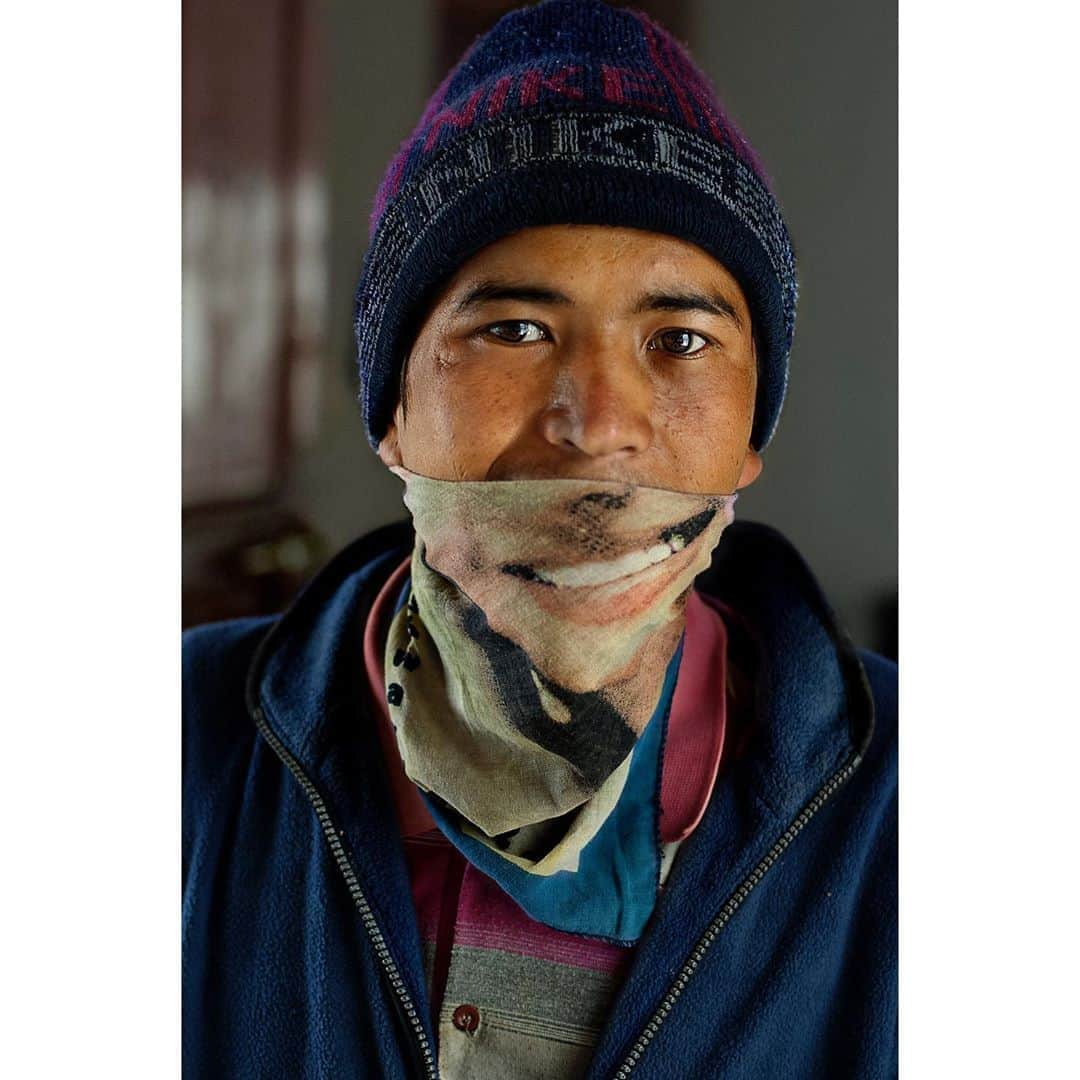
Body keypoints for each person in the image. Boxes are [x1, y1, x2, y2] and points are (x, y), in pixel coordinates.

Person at [182, 1, 897, 1077]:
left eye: (682, 339)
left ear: (754, 430)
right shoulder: (176, 743)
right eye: (512, 330)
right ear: (392, 412)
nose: (599, 422)